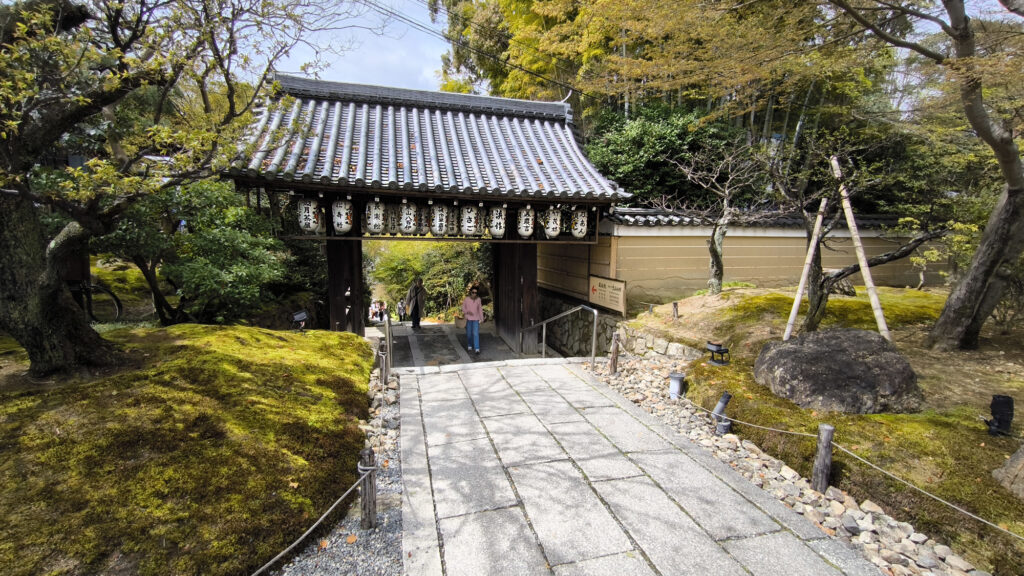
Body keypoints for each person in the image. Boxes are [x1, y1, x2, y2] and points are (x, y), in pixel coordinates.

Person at [461, 284, 483, 355]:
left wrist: (481, 318)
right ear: (470, 292)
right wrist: (467, 311)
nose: (474, 294)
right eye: (473, 292)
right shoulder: (466, 299)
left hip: (476, 319)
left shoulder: (478, 299)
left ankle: (477, 348)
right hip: (468, 319)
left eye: (475, 293)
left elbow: (480, 309)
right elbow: (463, 308)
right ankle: (470, 345)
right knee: (469, 334)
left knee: (476, 333)